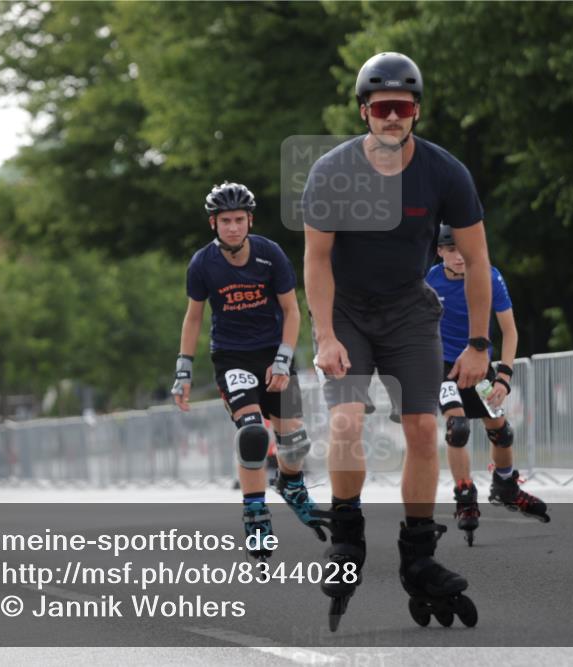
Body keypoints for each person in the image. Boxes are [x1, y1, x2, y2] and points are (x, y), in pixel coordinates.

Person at [302, 52, 488, 630]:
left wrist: (480, 342)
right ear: (365, 112)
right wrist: (326, 334)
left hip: (410, 310)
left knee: (424, 427)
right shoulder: (331, 172)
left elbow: (478, 260)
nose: (392, 117)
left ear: (416, 112)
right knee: (346, 422)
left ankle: (419, 557)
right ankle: (348, 541)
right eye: (381, 107)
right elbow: (316, 259)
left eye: (402, 108)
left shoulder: (444, 172)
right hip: (350, 311)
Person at [172, 182, 323, 560]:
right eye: (226, 221)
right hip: (232, 356)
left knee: (296, 443)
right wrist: (183, 370)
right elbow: (193, 319)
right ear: (214, 224)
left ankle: (290, 483)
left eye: (240, 220)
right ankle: (255, 512)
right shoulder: (203, 264)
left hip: (275, 353)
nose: (234, 227)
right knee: (253, 432)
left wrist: (285, 358)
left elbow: (291, 310)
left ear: (250, 220)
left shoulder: (270, 255)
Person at [428, 225, 549, 546]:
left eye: (463, 249)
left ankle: (506, 485)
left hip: (479, 366)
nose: (459, 257)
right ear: (439, 251)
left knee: (502, 430)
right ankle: (465, 494)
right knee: (458, 428)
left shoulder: (489, 276)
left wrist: (504, 377)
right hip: (443, 368)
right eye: (450, 250)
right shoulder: (427, 281)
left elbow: (509, 331)